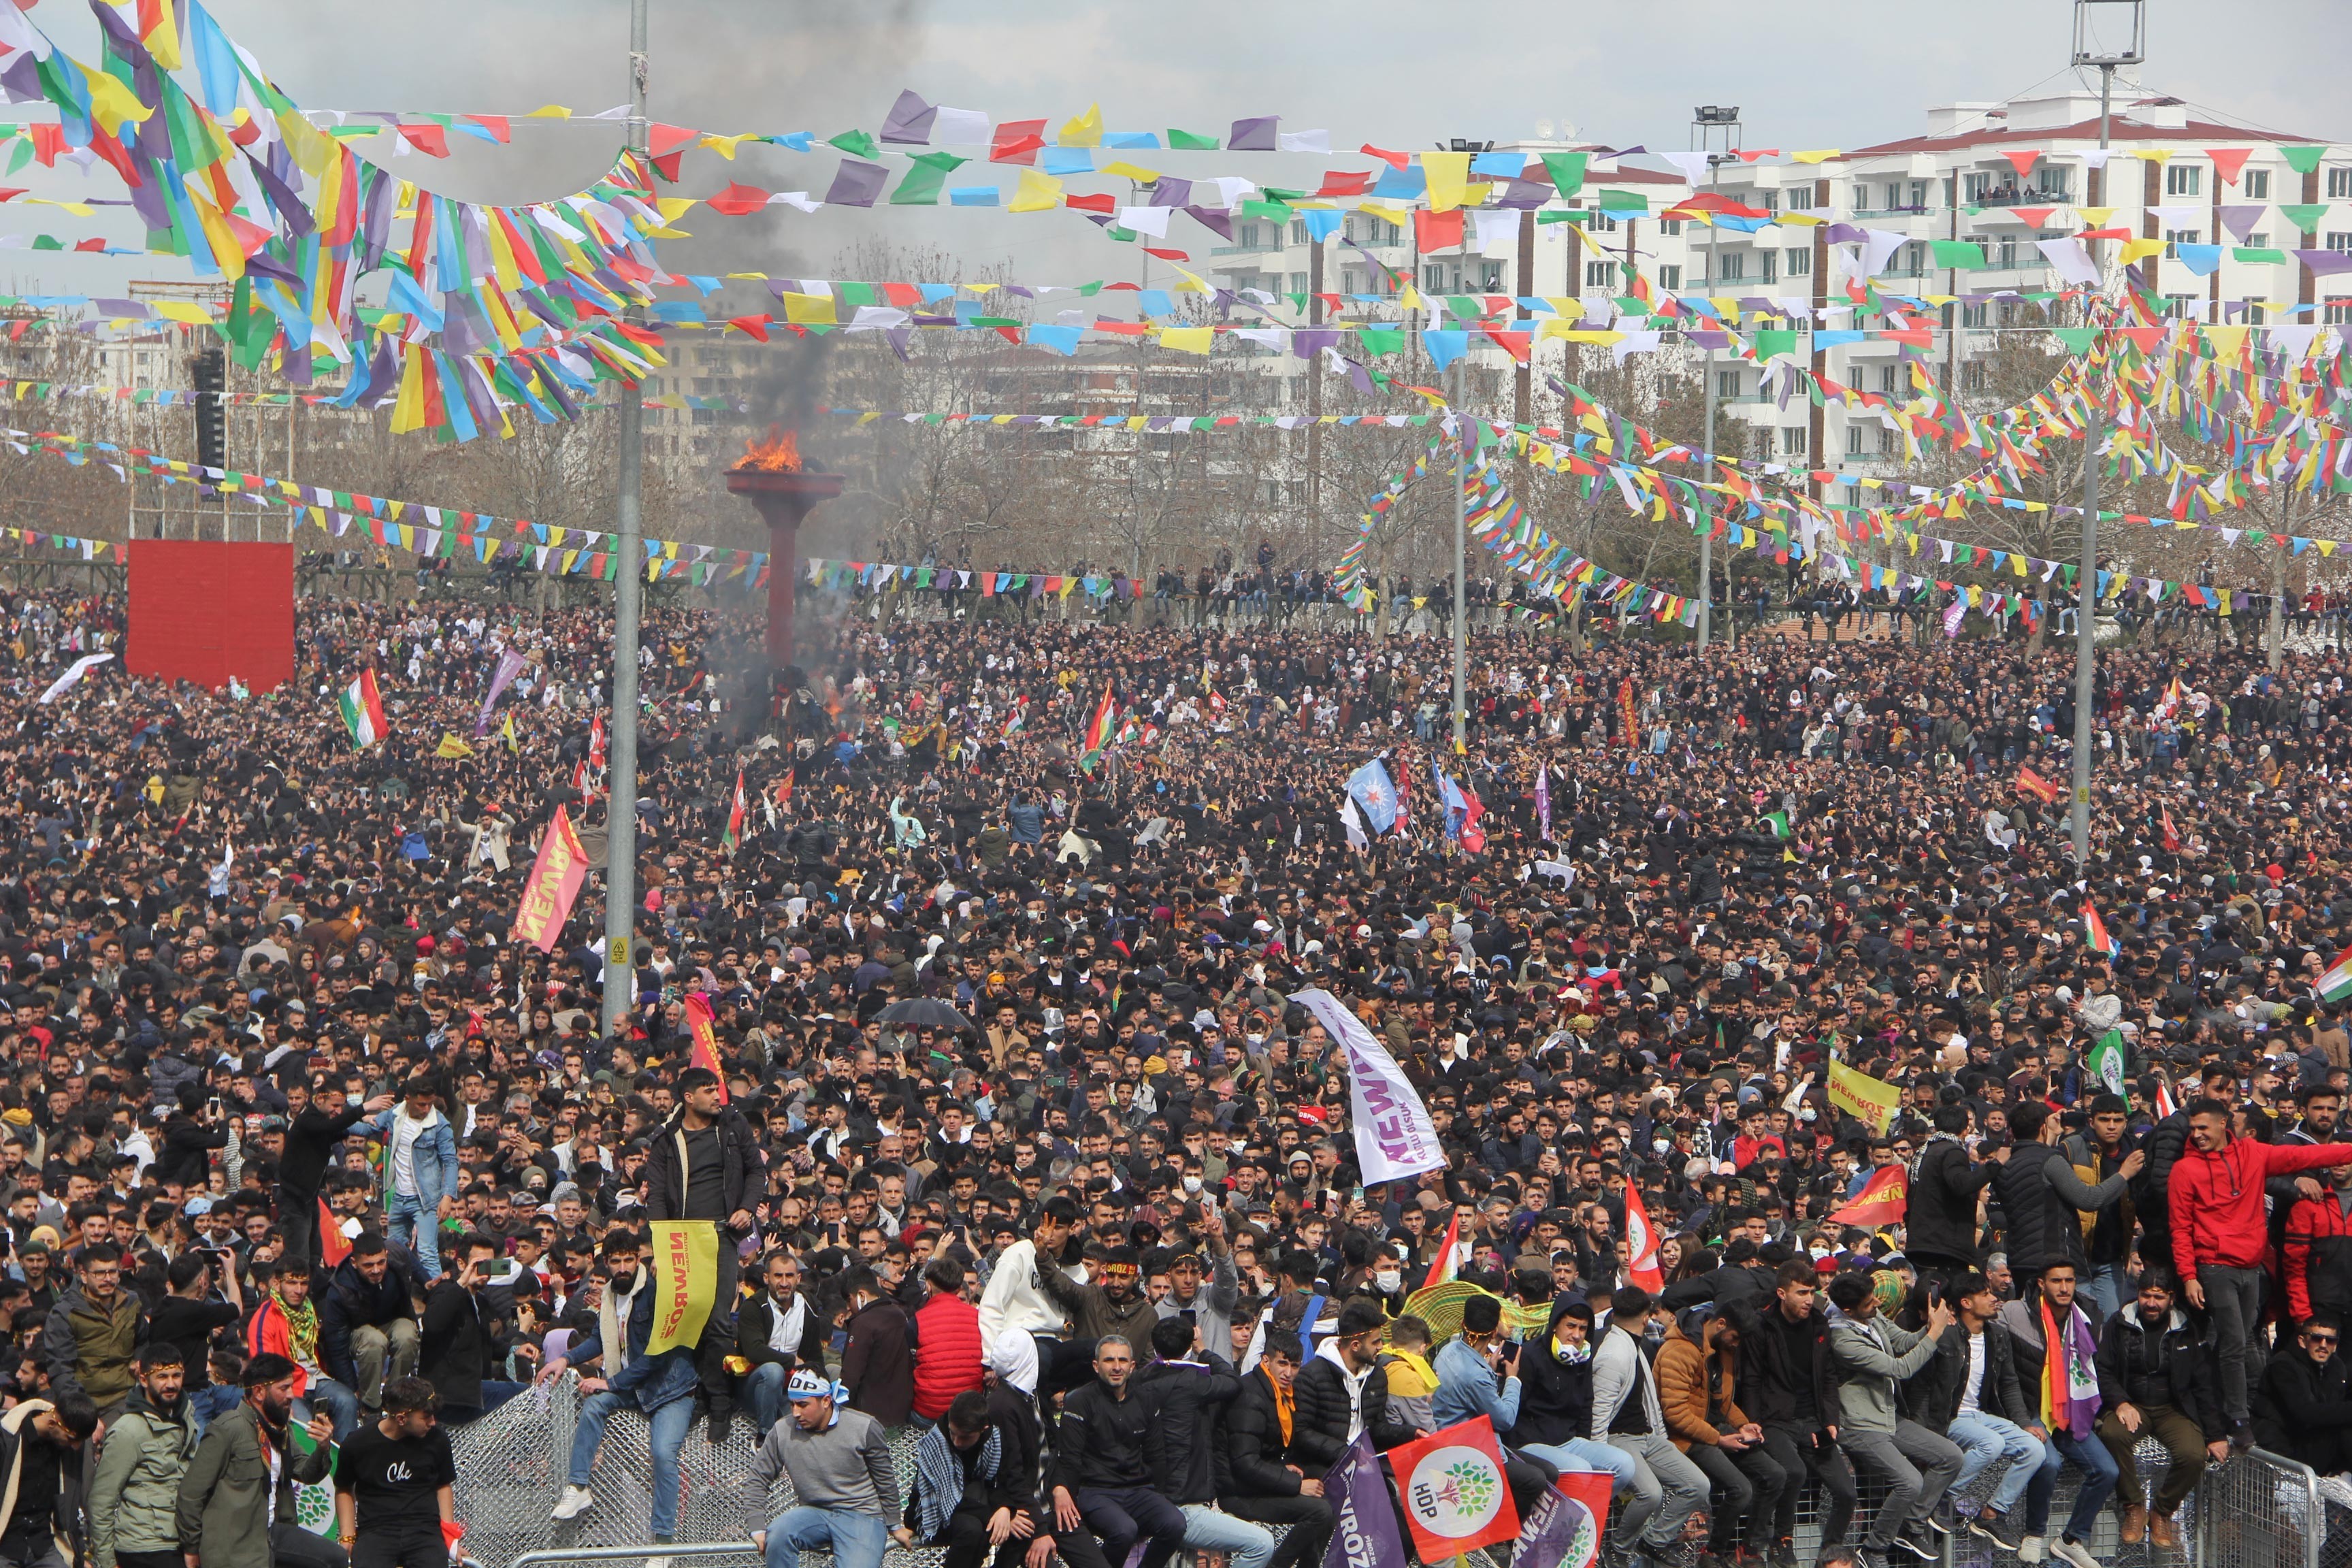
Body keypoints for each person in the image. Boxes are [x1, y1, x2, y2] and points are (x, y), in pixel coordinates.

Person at [2169, 1096, 2352, 1446]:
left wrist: (2347, 1152)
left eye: (2203, 1128)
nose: (2197, 1135)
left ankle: (2233, 1407)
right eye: (2193, 1129)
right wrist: (2190, 1275)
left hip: (2251, 1267)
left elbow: (2306, 1157)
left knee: (2238, 1341)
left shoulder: (2253, 1154)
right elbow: (2180, 1227)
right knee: (2234, 1342)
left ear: (2225, 1124)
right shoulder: (2185, 1170)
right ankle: (2238, 1419)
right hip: (2214, 1266)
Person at [543, 1229, 700, 1552]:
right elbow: (602, 1340)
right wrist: (565, 1358)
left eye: (629, 1260)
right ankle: (578, 1486)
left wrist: (610, 1383)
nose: (624, 1267)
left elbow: (658, 1355)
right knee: (594, 1405)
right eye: (616, 1261)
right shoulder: (609, 1296)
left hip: (670, 1390)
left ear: (638, 1259)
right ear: (606, 1263)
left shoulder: (657, 1293)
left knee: (663, 1455)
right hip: (634, 1386)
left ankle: (663, 1543)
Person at [645, 1066, 761, 1441]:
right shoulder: (666, 1138)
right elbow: (659, 1195)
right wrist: (659, 1249)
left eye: (719, 1090)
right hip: (681, 1240)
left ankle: (720, 1403)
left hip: (722, 1235)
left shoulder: (733, 1126)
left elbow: (757, 1171)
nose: (718, 1096)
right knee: (687, 1321)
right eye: (710, 1091)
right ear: (689, 1098)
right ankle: (698, 1394)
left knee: (716, 1319)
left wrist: (747, 1206)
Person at [1825, 1271, 1959, 1568]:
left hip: (1888, 1417)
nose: (1877, 1304)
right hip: (1859, 1425)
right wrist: (1935, 1333)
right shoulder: (1842, 1338)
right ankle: (1873, 1548)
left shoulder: (1870, 1316)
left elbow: (1903, 1341)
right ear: (1848, 1310)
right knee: (1909, 1481)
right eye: (1869, 1302)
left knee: (1950, 1456)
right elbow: (1900, 1368)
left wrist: (1929, 1325)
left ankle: (1911, 1526)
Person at [1995, 1260, 2119, 1568]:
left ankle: (2071, 1540)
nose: (2064, 1288)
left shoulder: (2088, 1316)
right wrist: (2020, 1419)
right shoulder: (2014, 1312)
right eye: (2056, 1281)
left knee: (2107, 1471)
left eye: (2069, 1281)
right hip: (2030, 1409)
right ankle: (2034, 1534)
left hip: (2070, 1412)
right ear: (2041, 1283)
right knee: (2047, 1461)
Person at [2094, 1270, 2225, 1549]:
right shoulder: (2119, 1324)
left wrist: (2215, 1434)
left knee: (2192, 1454)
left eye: (2158, 1297)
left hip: (2172, 1408)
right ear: (2137, 1295)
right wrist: (2120, 1402)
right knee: (2111, 1435)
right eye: (2146, 1296)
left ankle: (2162, 1512)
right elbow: (2102, 1369)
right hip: (2132, 1403)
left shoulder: (2187, 1329)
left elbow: (2203, 1384)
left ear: (2171, 1299)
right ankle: (2133, 1506)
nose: (2151, 1303)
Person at [175, 1351, 342, 1568]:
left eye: (291, 1387)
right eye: (284, 1388)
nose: (292, 1395)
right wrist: (191, 1547)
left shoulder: (281, 1429)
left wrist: (323, 1447)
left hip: (274, 1531)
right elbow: (191, 1493)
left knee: (335, 1558)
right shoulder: (228, 1429)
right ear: (259, 1392)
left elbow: (307, 1473)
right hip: (237, 1542)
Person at [1592, 1285, 1711, 1568]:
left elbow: (1649, 1402)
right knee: (1650, 1494)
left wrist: (1660, 1438)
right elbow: (1599, 1412)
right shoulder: (1613, 1355)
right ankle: (1618, 1550)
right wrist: (1598, 1458)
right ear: (1646, 1317)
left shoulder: (1636, 1345)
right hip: (1618, 1440)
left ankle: (1654, 1541)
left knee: (1698, 1485)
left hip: (1646, 1436)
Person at [1657, 1303, 1784, 1568]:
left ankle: (1747, 1551)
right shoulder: (1678, 1350)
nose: (1737, 1345)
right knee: (1740, 1489)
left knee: (1776, 1475)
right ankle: (1712, 1554)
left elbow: (1723, 1401)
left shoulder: (1724, 1350)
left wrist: (1743, 1425)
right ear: (1721, 1324)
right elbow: (1676, 1414)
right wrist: (1719, 1439)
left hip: (1715, 1430)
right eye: (1735, 1338)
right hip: (1687, 1438)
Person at [1135, 1316, 1269, 1568]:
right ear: (1188, 1348)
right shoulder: (1192, 1382)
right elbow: (1232, 1381)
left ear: (1155, 1348)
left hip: (1149, 1501)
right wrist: (1203, 1349)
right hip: (1183, 1507)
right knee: (1261, 1544)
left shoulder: (1136, 1381)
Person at [1922, 1273, 2042, 1551]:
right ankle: (1943, 1497)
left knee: (2034, 1449)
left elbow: (2010, 1383)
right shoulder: (1946, 1335)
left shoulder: (1998, 1335)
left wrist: (2024, 1423)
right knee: (1992, 1444)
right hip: (1950, 1419)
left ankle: (1992, 1514)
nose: (1993, 1298)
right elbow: (1925, 1386)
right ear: (1965, 1302)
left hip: (1980, 1416)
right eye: (1985, 1294)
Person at [745, 1367, 906, 1568]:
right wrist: (757, 1527)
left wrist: (895, 1524)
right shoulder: (782, 1430)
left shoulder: (864, 1427)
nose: (795, 1412)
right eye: (793, 1404)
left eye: (803, 1405)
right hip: (813, 1512)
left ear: (826, 1401)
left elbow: (885, 1481)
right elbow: (757, 1478)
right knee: (777, 1533)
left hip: (862, 1515)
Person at [1052, 1335, 1186, 1568]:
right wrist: (1063, 1490)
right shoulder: (1080, 1401)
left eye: (1123, 1360)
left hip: (1138, 1489)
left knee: (1175, 1523)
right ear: (1096, 1366)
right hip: (1095, 1490)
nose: (1116, 1367)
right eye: (1109, 1360)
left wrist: (1160, 1495)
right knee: (1124, 1530)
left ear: (1132, 1366)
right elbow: (1070, 1457)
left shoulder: (1146, 1398)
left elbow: (1157, 1455)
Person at [1219, 1329, 1336, 1568]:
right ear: (1266, 1361)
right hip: (1238, 1492)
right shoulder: (1251, 1397)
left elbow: (1263, 1452)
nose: (1289, 1373)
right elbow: (1244, 1463)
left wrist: (1284, 1468)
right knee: (1320, 1512)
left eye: (1294, 1366)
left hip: (1255, 1484)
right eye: (1282, 1364)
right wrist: (1296, 1485)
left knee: (1326, 1504)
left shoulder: (1279, 1394)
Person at [903, 1389, 1053, 1568]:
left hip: (977, 1503)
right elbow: (949, 1499)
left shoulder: (995, 1438)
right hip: (935, 1512)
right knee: (972, 1530)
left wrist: (1005, 1509)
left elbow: (1004, 1480)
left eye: (965, 1437)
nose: (957, 1441)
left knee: (1022, 1528)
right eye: (953, 1433)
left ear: (983, 1430)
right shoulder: (937, 1441)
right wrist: (997, 1514)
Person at [1507, 1299, 1639, 1494]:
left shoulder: (1582, 1358)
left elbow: (1587, 1404)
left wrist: (1585, 1441)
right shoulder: (1531, 1355)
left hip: (1569, 1440)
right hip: (1531, 1442)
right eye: (1570, 1326)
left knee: (1625, 1465)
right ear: (1555, 1326)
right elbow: (1515, 1406)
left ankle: (1587, 1515)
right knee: (1581, 1470)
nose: (1576, 1335)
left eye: (1583, 1328)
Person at [331, 1376, 457, 1568]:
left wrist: (450, 1538)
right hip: (375, 1530)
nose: (433, 1422)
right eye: (426, 1416)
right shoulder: (357, 1443)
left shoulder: (438, 1440)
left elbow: (443, 1486)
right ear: (401, 1418)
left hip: (425, 1530)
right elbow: (344, 1489)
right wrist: (347, 1536)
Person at [89, 1344, 197, 1568]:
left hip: (183, 1539)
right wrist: (107, 1563)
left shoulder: (186, 1417)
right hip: (145, 1547)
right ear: (144, 1380)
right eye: (162, 1377)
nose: (171, 1384)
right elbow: (102, 1500)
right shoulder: (128, 1431)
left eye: (177, 1375)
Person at [281, 1082, 395, 1267]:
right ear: (319, 1099)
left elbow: (340, 1129)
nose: (338, 1111)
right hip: (294, 1200)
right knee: (298, 1257)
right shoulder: (308, 1120)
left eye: (342, 1107)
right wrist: (365, 1108)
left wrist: (366, 1121)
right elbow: (330, 1127)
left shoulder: (324, 1125)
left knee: (316, 1252)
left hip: (309, 1199)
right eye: (334, 1106)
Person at [247, 1260, 359, 1443]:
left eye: (304, 1283)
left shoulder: (311, 1310)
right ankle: (311, 1468)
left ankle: (346, 1461)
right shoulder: (265, 1317)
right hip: (289, 1387)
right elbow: (262, 1366)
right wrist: (280, 1397)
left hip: (317, 1379)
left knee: (347, 1400)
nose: (299, 1290)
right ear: (276, 1283)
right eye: (291, 1283)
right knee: (307, 1430)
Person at [421, 1234, 523, 1424]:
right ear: (462, 1264)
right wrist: (461, 1284)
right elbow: (432, 1324)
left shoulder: (481, 1301)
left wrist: (512, 1349)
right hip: (449, 1395)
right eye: (479, 1265)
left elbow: (483, 1343)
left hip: (474, 1391)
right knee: (525, 1394)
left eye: (489, 1265)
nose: (485, 1272)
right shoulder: (446, 1291)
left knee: (528, 1394)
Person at [320, 1234, 423, 1420]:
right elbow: (336, 1347)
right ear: (354, 1262)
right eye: (368, 1265)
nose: (376, 1270)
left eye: (381, 1262)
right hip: (359, 1332)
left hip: (392, 1322)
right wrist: (352, 1389)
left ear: (387, 1255)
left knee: (407, 1334)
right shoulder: (340, 1289)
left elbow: (409, 1257)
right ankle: (371, 1406)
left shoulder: (397, 1255)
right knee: (374, 1341)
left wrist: (427, 1281)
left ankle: (395, 1396)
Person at [41, 1241, 147, 1420]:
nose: (108, 1279)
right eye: (99, 1273)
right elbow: (60, 1369)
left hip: (125, 1396)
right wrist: (82, 1412)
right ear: (83, 1276)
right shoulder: (66, 1312)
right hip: (82, 1399)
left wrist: (140, 1359)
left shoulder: (131, 1303)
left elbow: (143, 1339)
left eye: (113, 1272)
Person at [368, 1081, 458, 1282]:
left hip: (426, 1200)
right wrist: (341, 1120)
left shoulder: (439, 1123)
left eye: (430, 1104)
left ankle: (439, 1299)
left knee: (427, 1253)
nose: (427, 1109)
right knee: (392, 1253)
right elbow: (368, 1127)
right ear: (408, 1099)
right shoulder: (395, 1114)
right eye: (421, 1104)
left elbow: (451, 1161)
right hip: (399, 1197)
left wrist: (448, 1197)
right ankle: (399, 1298)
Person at [0, 1389, 98, 1568]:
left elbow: (72, 1508)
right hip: (5, 1546)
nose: (76, 1447)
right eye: (71, 1439)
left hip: (44, 1546)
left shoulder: (68, 1450)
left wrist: (78, 1557)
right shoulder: (7, 1440)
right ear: (52, 1423)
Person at [738, 1251, 828, 1439]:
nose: (785, 1283)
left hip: (793, 1386)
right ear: (766, 1278)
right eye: (778, 1276)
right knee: (773, 1371)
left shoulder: (808, 1305)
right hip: (756, 1384)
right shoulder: (753, 1306)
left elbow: (815, 1356)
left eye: (790, 1276)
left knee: (832, 1372)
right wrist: (790, 1360)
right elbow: (754, 1351)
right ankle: (765, 1437)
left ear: (798, 1278)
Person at [2254, 1310, 2352, 1475]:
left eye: (2330, 1340)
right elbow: (2305, 1413)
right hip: (2284, 1447)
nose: (2323, 1345)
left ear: (2335, 1345)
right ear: (2302, 1340)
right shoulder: (2283, 1365)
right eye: (2316, 1338)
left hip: (2316, 1440)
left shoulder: (2337, 1367)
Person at [911, 1257, 985, 1428]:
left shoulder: (918, 1319)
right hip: (969, 1411)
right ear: (960, 1288)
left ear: (928, 1286)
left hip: (928, 1412)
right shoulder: (978, 1317)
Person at [840, 1264, 914, 1427]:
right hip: (901, 1410)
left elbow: (851, 1376)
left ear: (861, 1295)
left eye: (849, 1300)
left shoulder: (862, 1324)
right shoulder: (899, 1314)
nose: (848, 1307)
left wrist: (839, 1409)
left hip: (869, 1416)